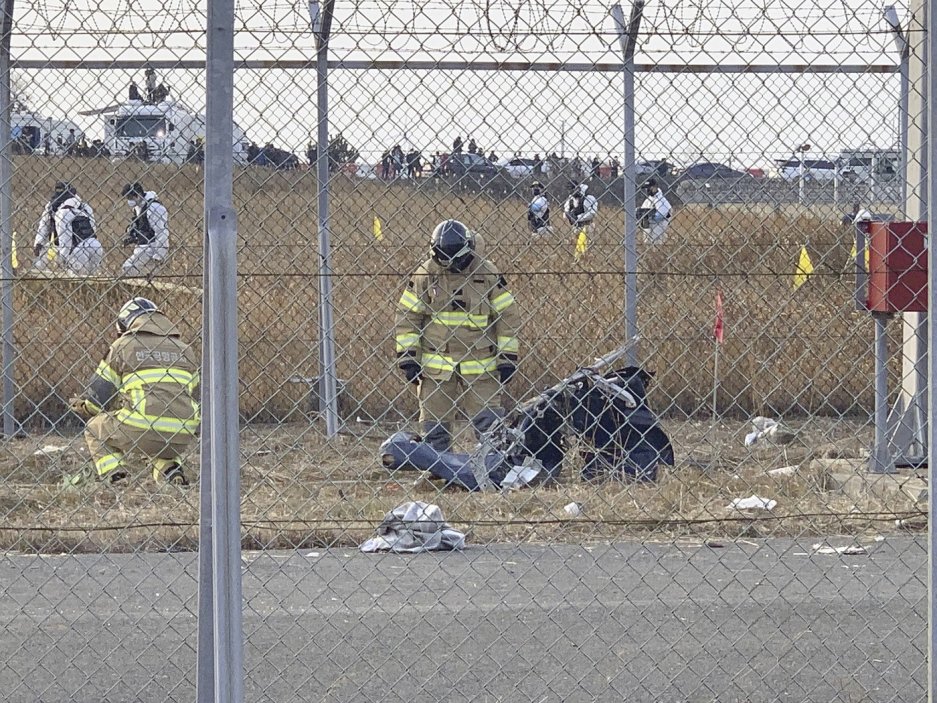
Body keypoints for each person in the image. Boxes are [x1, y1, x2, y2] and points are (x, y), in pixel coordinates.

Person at [394, 220, 520, 452]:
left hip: (482, 365)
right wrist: (408, 357)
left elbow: (507, 316)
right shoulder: (426, 273)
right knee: (434, 427)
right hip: (436, 367)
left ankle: (494, 467)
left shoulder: (487, 273)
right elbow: (408, 316)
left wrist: (508, 356)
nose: (449, 266)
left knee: (490, 425)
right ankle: (437, 469)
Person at [68, 298, 199, 485]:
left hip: (142, 426)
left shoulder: (123, 346)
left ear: (125, 324)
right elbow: (191, 393)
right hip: (182, 432)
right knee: (158, 440)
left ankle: (115, 477)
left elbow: (98, 397)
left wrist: (84, 407)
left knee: (94, 428)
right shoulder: (185, 350)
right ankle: (170, 474)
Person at [32, 181, 104, 275]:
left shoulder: (60, 212)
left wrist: (64, 258)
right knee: (94, 279)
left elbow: (64, 236)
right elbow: (93, 228)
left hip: (77, 250)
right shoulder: (83, 206)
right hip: (95, 245)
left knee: (77, 281)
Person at [120, 182, 170, 277]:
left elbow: (161, 231)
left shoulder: (154, 207)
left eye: (130, 198)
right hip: (143, 247)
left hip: (152, 247)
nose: (129, 201)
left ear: (138, 195)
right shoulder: (138, 208)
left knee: (128, 269)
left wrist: (159, 255)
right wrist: (132, 238)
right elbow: (143, 228)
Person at [637, 179, 673, 245]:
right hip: (647, 229)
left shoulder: (661, 200)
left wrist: (648, 216)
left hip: (658, 229)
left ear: (655, 187)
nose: (647, 190)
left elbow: (661, 216)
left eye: (649, 188)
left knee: (656, 245)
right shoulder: (648, 200)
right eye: (646, 188)